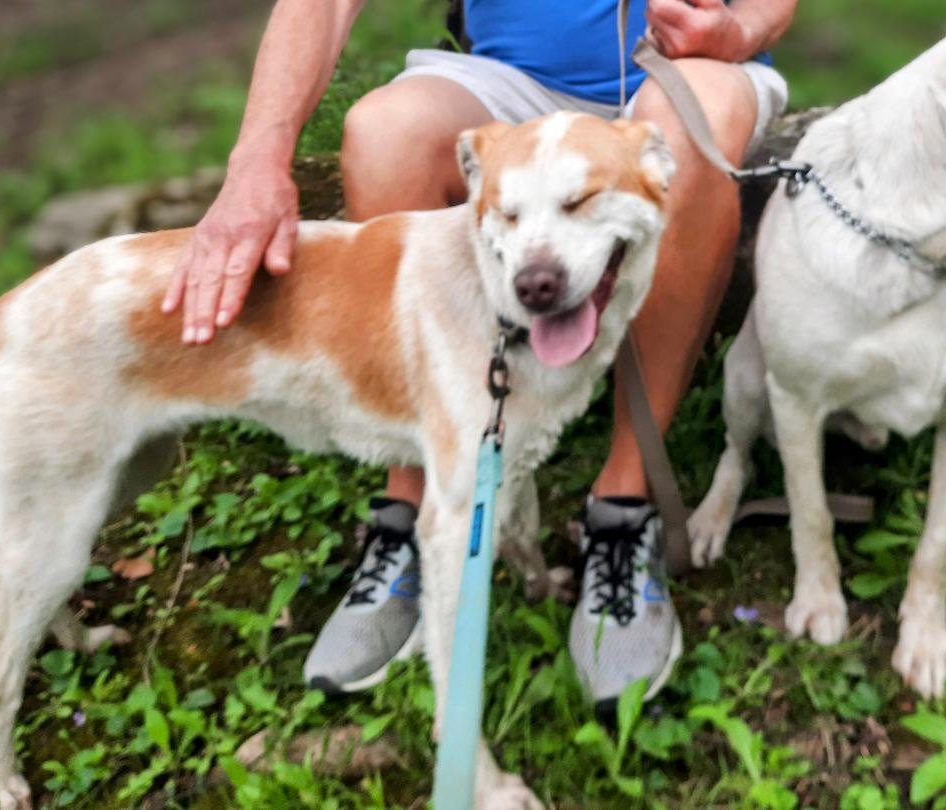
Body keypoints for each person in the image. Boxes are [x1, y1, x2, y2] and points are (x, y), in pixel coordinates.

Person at [161, 0, 796, 704]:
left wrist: (742, 29)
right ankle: (411, 503)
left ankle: (622, 506)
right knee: (384, 132)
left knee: (696, 113)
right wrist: (257, 160)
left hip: (684, 71)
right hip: (508, 81)